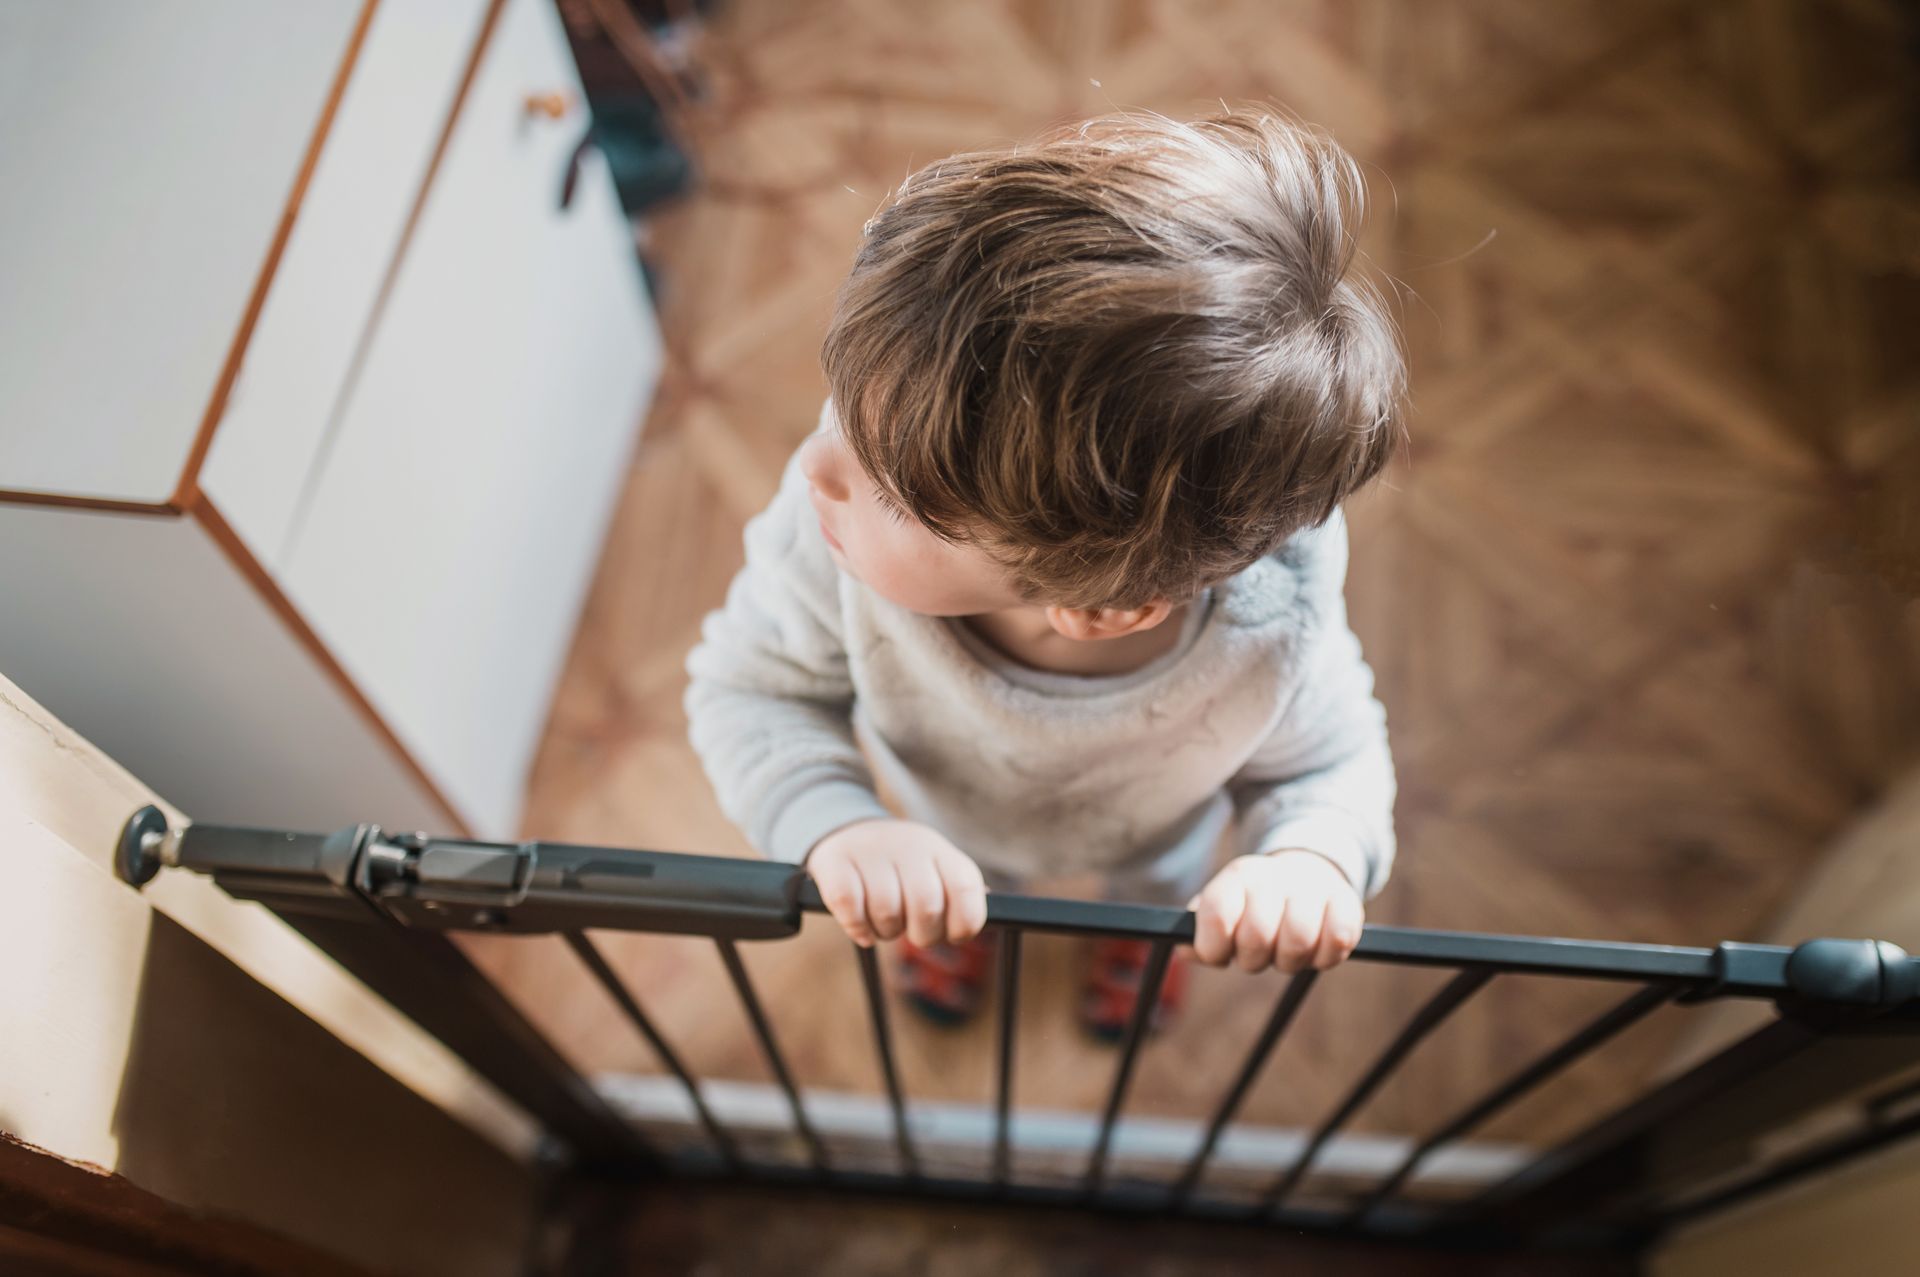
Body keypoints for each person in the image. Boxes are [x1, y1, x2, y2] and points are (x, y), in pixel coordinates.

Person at [685, 109, 1403, 1038]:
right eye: (843, 409)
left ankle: (1141, 940)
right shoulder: (824, 532)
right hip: (947, 825)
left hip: (1157, 840)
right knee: (948, 881)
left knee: (1160, 893)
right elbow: (748, 691)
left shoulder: (1274, 625)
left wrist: (1309, 858)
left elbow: (1333, 758)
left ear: (1104, 610)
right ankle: (956, 918)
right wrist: (844, 827)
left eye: (898, 496)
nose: (816, 468)